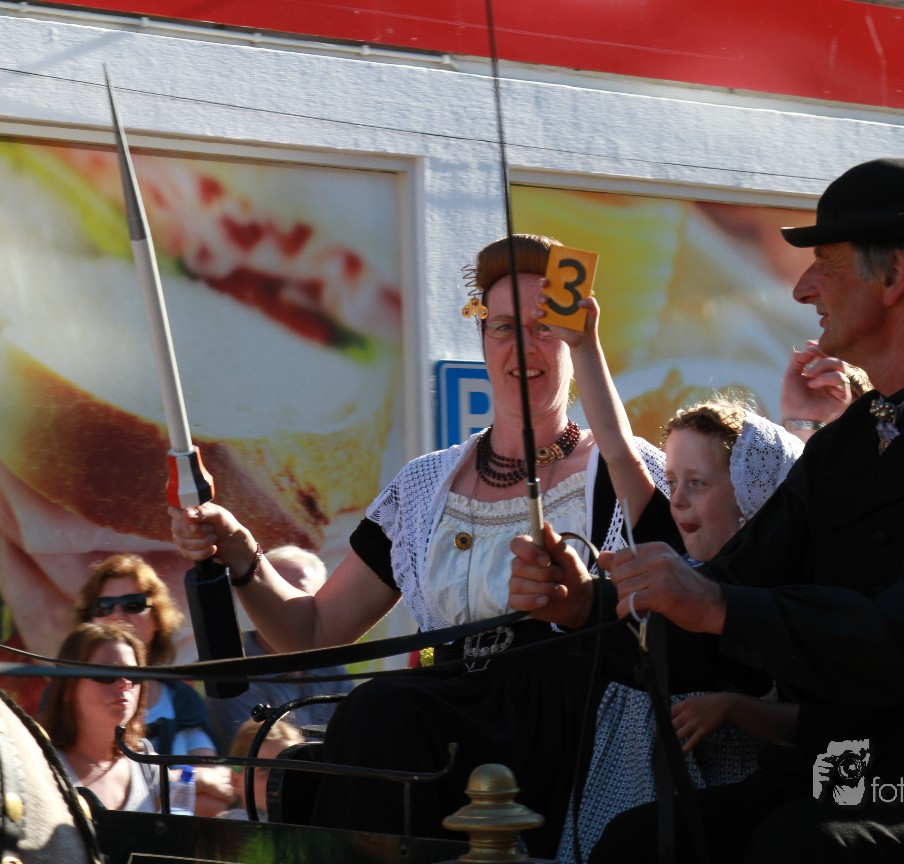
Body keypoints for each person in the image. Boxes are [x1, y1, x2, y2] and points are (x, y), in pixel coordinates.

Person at [510, 157, 904, 863]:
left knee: (796, 849)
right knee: (636, 844)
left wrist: (719, 607)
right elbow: (729, 599)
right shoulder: (851, 441)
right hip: (839, 772)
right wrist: (585, 607)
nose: (803, 287)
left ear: (895, 277)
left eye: (824, 265)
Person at [170, 233, 671, 856]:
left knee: (383, 711)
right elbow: (313, 630)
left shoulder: (621, 471)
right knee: (355, 732)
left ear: (577, 339)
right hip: (447, 715)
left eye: (545, 327)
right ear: (482, 340)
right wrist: (242, 554)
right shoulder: (424, 486)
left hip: (567, 727)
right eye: (504, 328)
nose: (522, 347)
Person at [561, 397, 806, 862]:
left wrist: (731, 707)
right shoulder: (673, 554)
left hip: (721, 775)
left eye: (698, 483)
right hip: (627, 774)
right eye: (672, 481)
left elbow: (820, 722)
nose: (676, 499)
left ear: (754, 496)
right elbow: (618, 450)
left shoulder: (775, 595)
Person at [72, 553, 232, 816]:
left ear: (157, 618)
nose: (117, 615)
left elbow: (216, 794)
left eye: (133, 604)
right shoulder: (65, 693)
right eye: (103, 606)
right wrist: (175, 785)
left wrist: (151, 797)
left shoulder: (182, 700)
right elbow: (84, 785)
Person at [204, 545, 353, 749]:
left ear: (321, 602)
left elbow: (357, 734)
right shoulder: (234, 674)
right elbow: (259, 755)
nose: (284, 604)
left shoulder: (330, 664)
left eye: (298, 595)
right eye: (274, 593)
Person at [41, 622, 164, 812]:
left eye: (133, 674)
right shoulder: (42, 766)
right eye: (107, 673)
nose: (125, 683)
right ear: (68, 688)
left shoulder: (147, 764)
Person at [216, 718, 306, 821]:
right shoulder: (235, 823)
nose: (279, 777)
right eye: (264, 769)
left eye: (289, 768)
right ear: (236, 781)